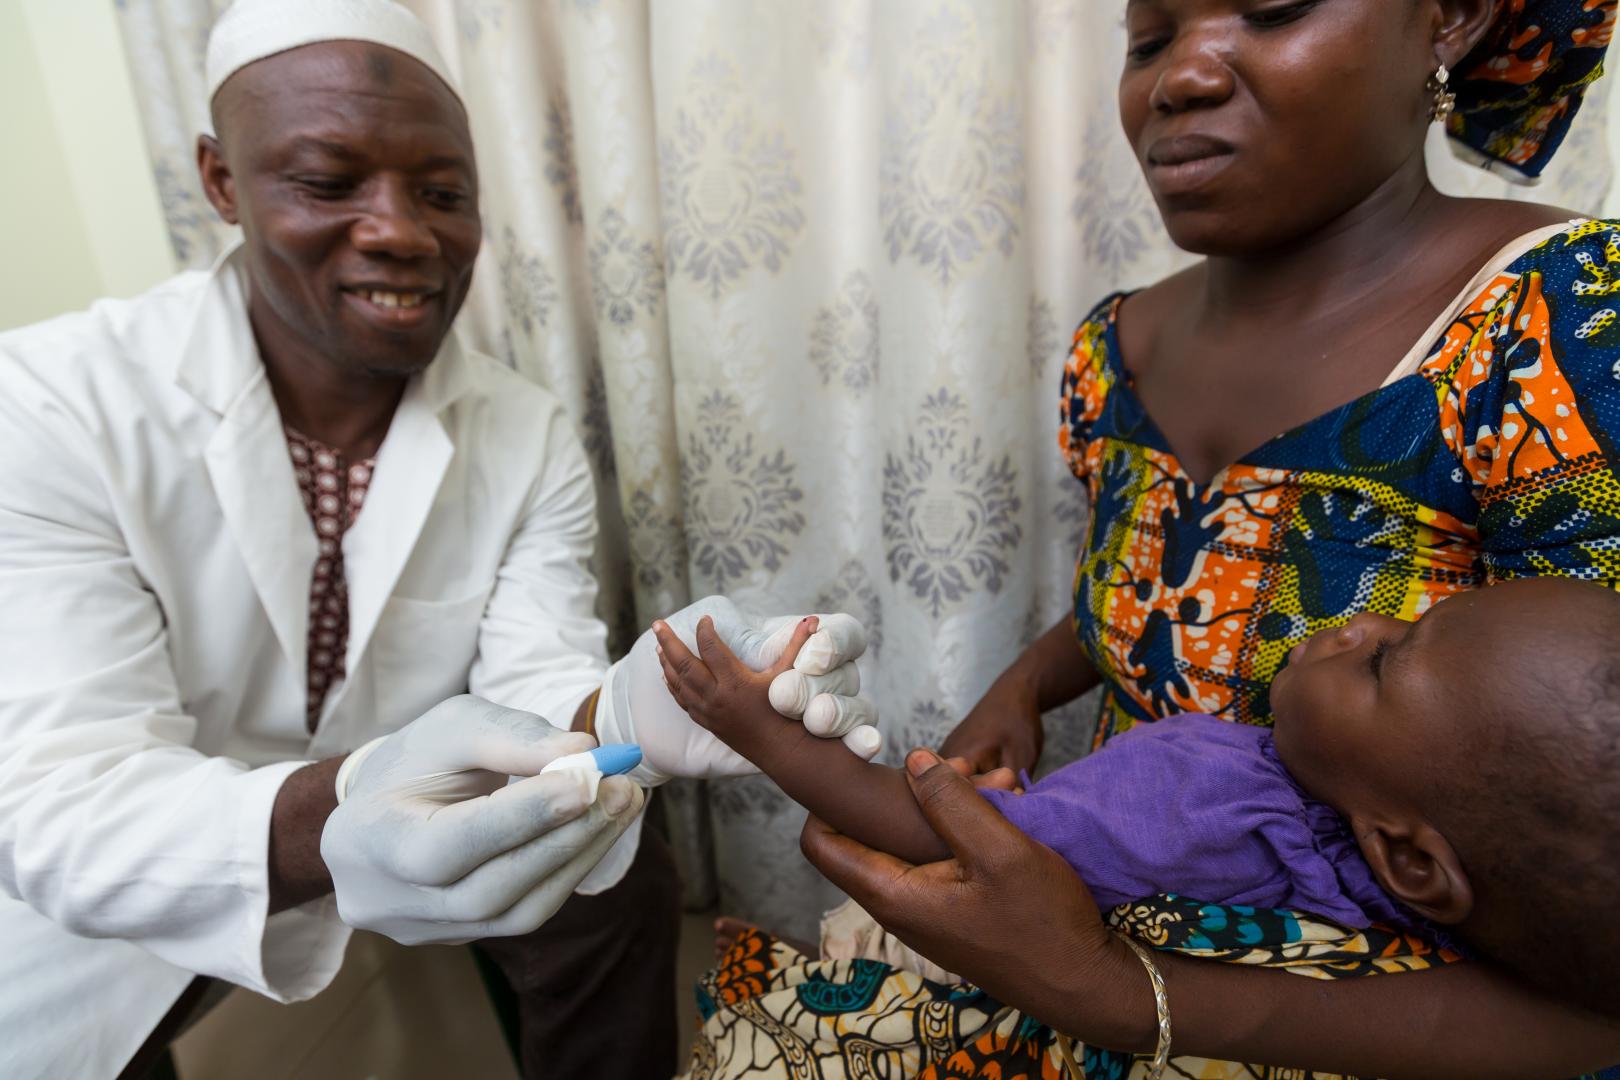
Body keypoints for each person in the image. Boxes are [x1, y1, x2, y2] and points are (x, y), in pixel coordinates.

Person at [0, 3, 878, 1078]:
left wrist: (632, 710)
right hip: (114, 888)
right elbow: (61, 803)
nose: (402, 231)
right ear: (222, 182)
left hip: (421, 821)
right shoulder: (48, 404)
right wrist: (346, 797)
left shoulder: (522, 432)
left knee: (618, 874)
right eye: (328, 182)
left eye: (443, 192)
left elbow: (535, 674)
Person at [784, 0, 1620, 1075]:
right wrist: (1025, 686)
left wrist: (1126, 999)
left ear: (1446, 22)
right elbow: (1159, 580)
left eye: (1270, 11)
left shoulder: (1568, 325)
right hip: (1098, 925)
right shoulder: (1110, 351)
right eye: (1147, 42)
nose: (1177, 80)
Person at [656, 577, 1620, 1075]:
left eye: (1385, 663)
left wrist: (758, 729)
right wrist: (1025, 693)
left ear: (1408, 855)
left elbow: (928, 830)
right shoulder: (1405, 878)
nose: (1362, 622)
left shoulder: (1210, 810)